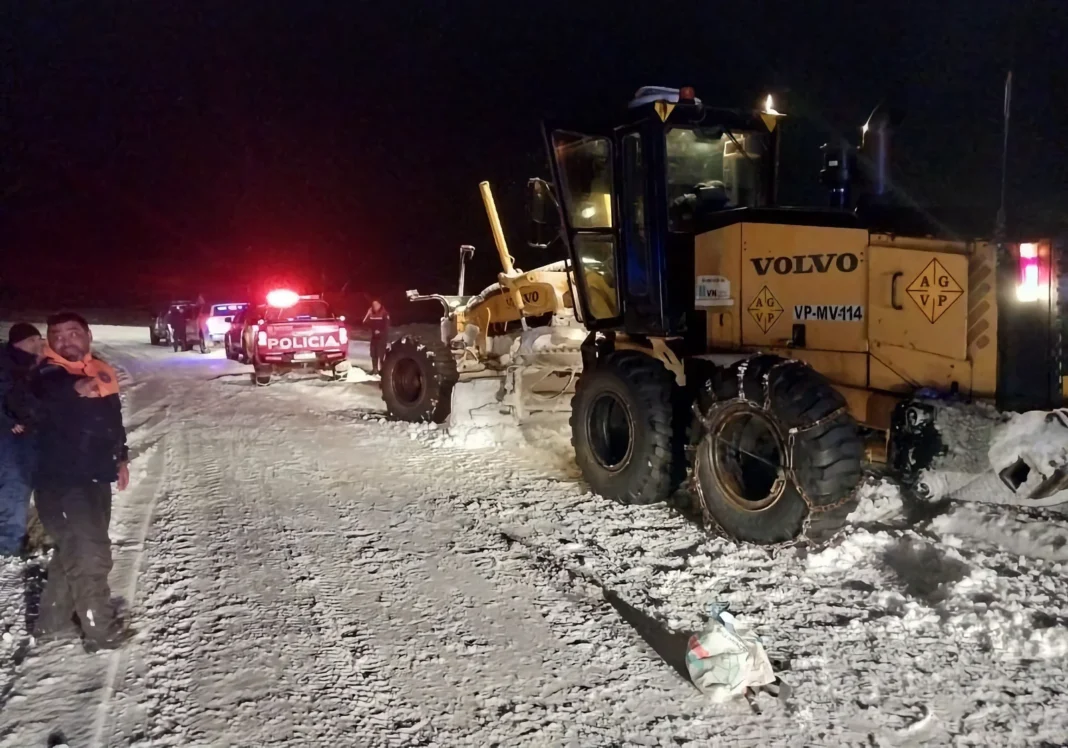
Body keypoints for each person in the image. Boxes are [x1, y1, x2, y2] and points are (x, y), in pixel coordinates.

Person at [31, 312, 132, 651]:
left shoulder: (100, 370)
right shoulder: (44, 375)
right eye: (57, 336)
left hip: (95, 476)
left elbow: (111, 420)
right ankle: (99, 631)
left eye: (73, 333)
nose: (65, 341)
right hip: (61, 483)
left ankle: (53, 623)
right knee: (91, 555)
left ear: (88, 335)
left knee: (72, 550)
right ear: (49, 342)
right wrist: (72, 391)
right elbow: (41, 398)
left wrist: (121, 457)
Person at [0, 323, 45, 555]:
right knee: (14, 485)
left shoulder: (29, 362)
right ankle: (8, 543)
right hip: (9, 438)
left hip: (26, 435)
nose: (39, 344)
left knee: (20, 482)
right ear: (19, 343)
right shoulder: (9, 364)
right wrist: (10, 422)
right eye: (33, 340)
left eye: (39, 339)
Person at [363, 299, 390, 375]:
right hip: (374, 337)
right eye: (373, 305)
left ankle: (383, 371)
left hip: (382, 338)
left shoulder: (384, 314)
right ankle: (375, 370)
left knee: (381, 355)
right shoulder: (371, 313)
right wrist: (368, 314)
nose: (374, 306)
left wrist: (380, 332)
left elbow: (386, 327)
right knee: (373, 353)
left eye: (376, 304)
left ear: (380, 304)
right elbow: (365, 323)